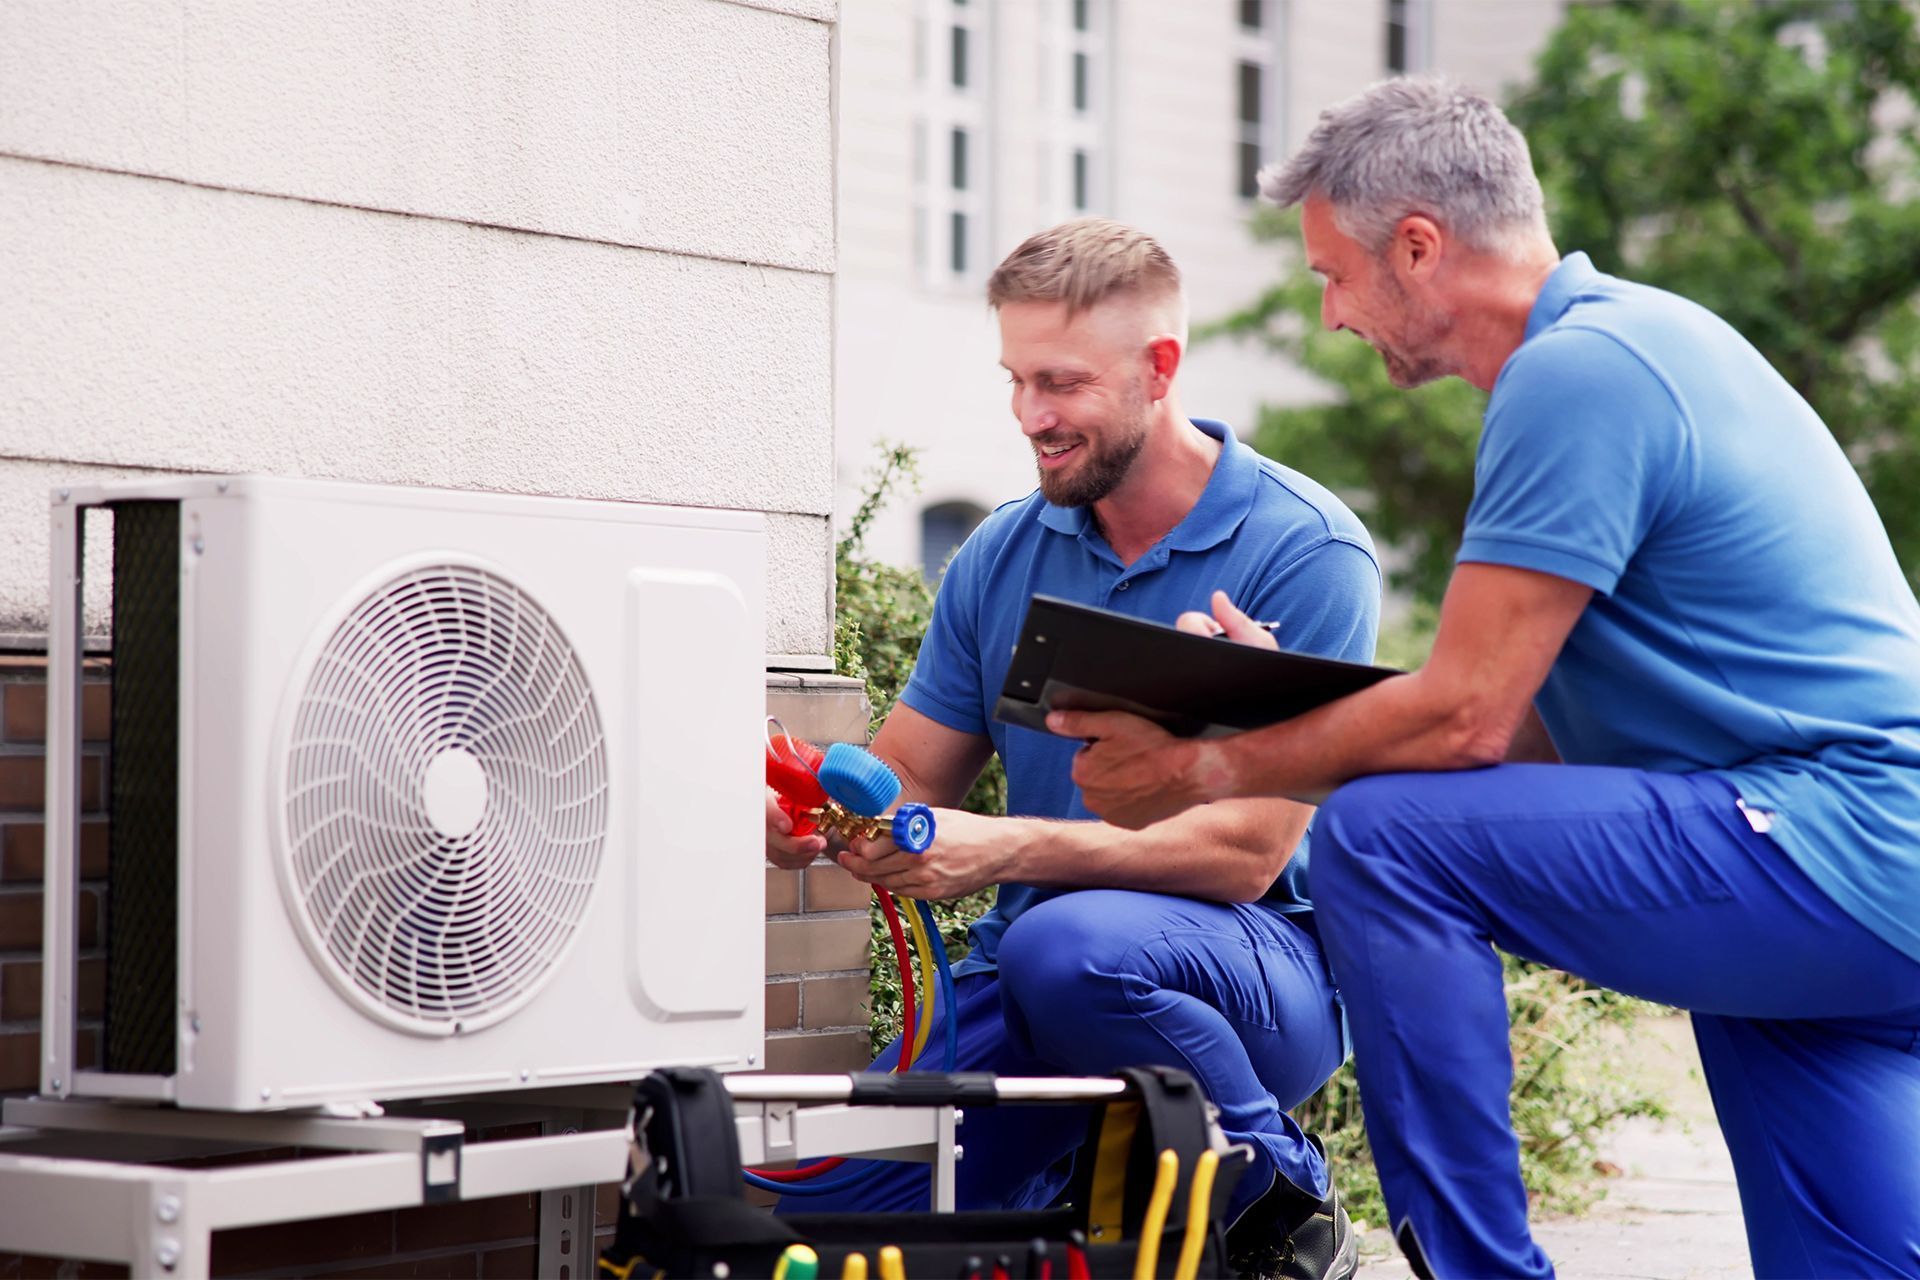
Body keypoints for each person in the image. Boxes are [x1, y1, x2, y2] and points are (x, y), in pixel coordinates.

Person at [1054, 79, 1920, 1279]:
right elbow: (1524, 730)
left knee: (1381, 837)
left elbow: (1463, 721)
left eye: (1332, 276)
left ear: (1418, 246)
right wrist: (1293, 705)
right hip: (1849, 895)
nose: (1334, 317)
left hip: (1834, 838)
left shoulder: (1580, 372)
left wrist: (1207, 768)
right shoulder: (1635, 344)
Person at [765, 217, 1381, 1279]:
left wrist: (999, 849)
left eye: (1060, 383)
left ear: (1159, 369)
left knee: (1070, 950)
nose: (1029, 416)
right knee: (805, 1212)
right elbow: (914, 771)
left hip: (1261, 967)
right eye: (1015, 379)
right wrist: (820, 818)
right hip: (1033, 958)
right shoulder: (1004, 551)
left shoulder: (1303, 552)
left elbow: (1246, 855)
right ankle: (1071, 1182)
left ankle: (1284, 1206)